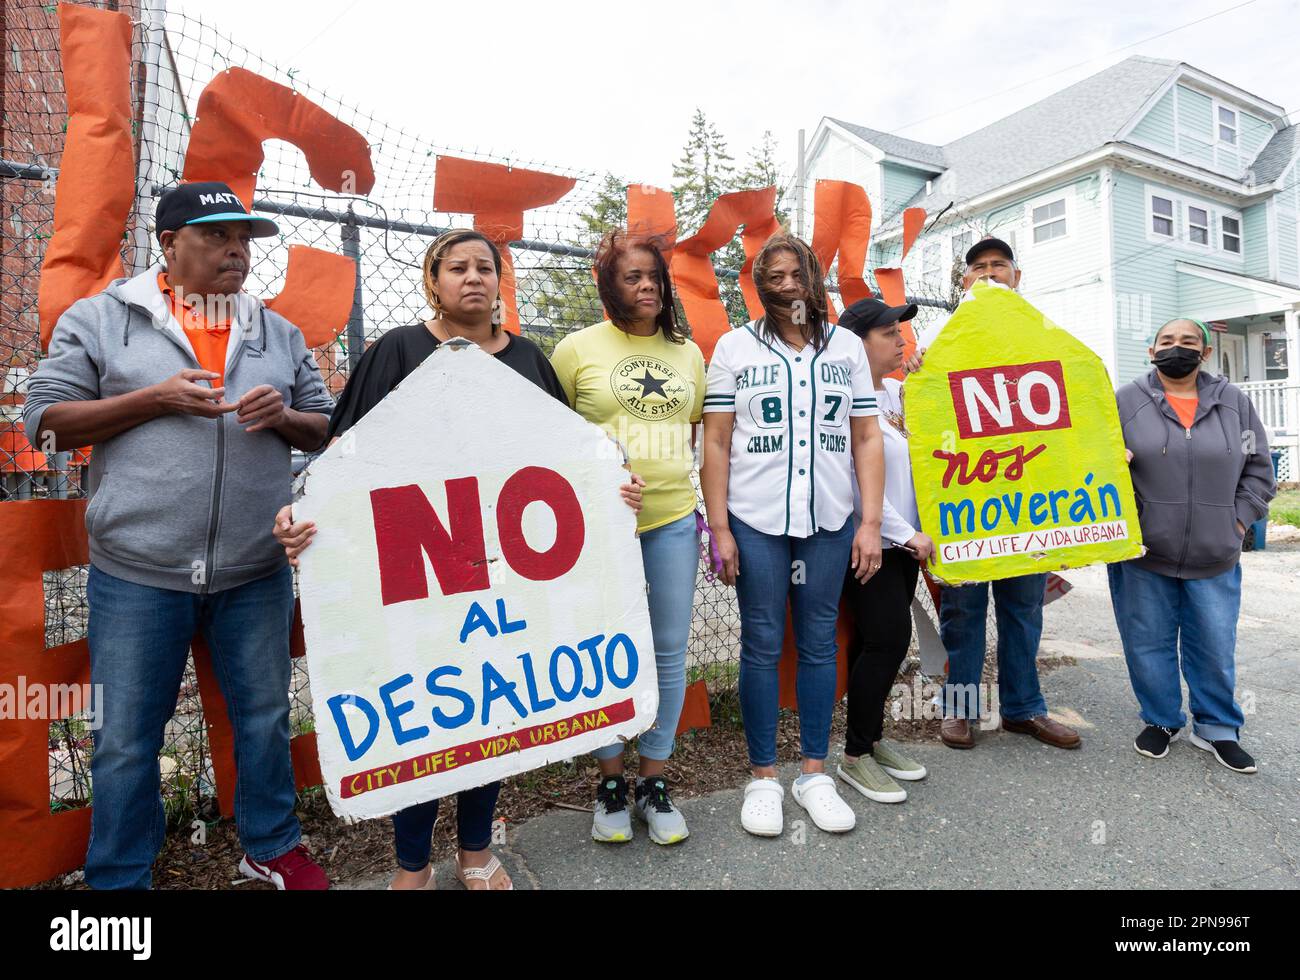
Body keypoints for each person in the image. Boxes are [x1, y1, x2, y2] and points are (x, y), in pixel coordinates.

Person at [273, 228, 642, 889]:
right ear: (432, 279)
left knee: (489, 710)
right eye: (457, 267)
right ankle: (411, 863)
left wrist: (617, 490)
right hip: (419, 570)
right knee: (423, 720)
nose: (473, 277)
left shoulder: (529, 359)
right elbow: (341, 460)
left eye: (485, 267)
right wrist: (302, 514)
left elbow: (569, 457)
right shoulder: (397, 351)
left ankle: (476, 853)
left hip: (506, 572)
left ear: (500, 282)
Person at [24, 181, 334, 889]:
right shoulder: (104, 319)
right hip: (137, 571)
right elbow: (43, 417)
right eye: (217, 237)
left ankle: (270, 846)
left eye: (244, 240)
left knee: (261, 718)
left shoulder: (275, 331)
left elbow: (325, 424)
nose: (237, 252)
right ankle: (120, 879)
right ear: (167, 244)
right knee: (126, 742)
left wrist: (284, 415)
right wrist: (152, 400)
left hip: (255, 569)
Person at [701, 233, 885, 838]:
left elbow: (865, 438)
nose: (786, 285)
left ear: (813, 277)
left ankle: (813, 773)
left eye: (795, 273)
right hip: (756, 520)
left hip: (829, 520)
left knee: (816, 641)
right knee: (760, 642)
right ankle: (762, 778)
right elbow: (719, 442)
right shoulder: (733, 347)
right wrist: (721, 526)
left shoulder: (848, 349)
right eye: (772, 275)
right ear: (759, 284)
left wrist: (870, 522)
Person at [550, 230, 705, 845]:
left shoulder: (688, 353)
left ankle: (653, 781)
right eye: (631, 277)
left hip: (671, 519)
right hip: (596, 529)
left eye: (653, 276)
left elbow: (696, 435)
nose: (646, 286)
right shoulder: (575, 350)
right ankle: (610, 781)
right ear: (609, 286)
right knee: (603, 647)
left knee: (668, 649)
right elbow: (547, 438)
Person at [926, 237, 1081, 752]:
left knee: (1023, 610)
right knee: (963, 612)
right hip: (966, 505)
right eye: (978, 268)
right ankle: (961, 711)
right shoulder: (941, 338)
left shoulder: (1042, 336)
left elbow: (1072, 406)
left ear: (1018, 276)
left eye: (999, 266)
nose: (989, 274)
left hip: (1027, 509)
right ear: (962, 281)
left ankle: (1023, 710)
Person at [1109, 317, 1274, 773]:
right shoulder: (1125, 402)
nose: (1176, 348)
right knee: (1146, 640)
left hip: (1216, 550)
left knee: (1214, 643)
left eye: (1188, 342)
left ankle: (1218, 726)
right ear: (1150, 350)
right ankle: (1161, 720)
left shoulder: (1234, 403)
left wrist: (1238, 522)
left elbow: (1259, 467)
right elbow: (1095, 468)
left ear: (1204, 353)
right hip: (1143, 552)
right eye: (1167, 341)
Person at [835, 297, 934, 804]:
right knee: (886, 642)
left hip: (906, 545)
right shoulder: (846, 399)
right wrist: (904, 532)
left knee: (879, 644)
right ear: (858, 343)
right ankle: (853, 757)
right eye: (890, 334)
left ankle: (871, 741)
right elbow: (854, 482)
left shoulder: (897, 392)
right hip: (871, 543)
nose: (902, 342)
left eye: (902, 333)